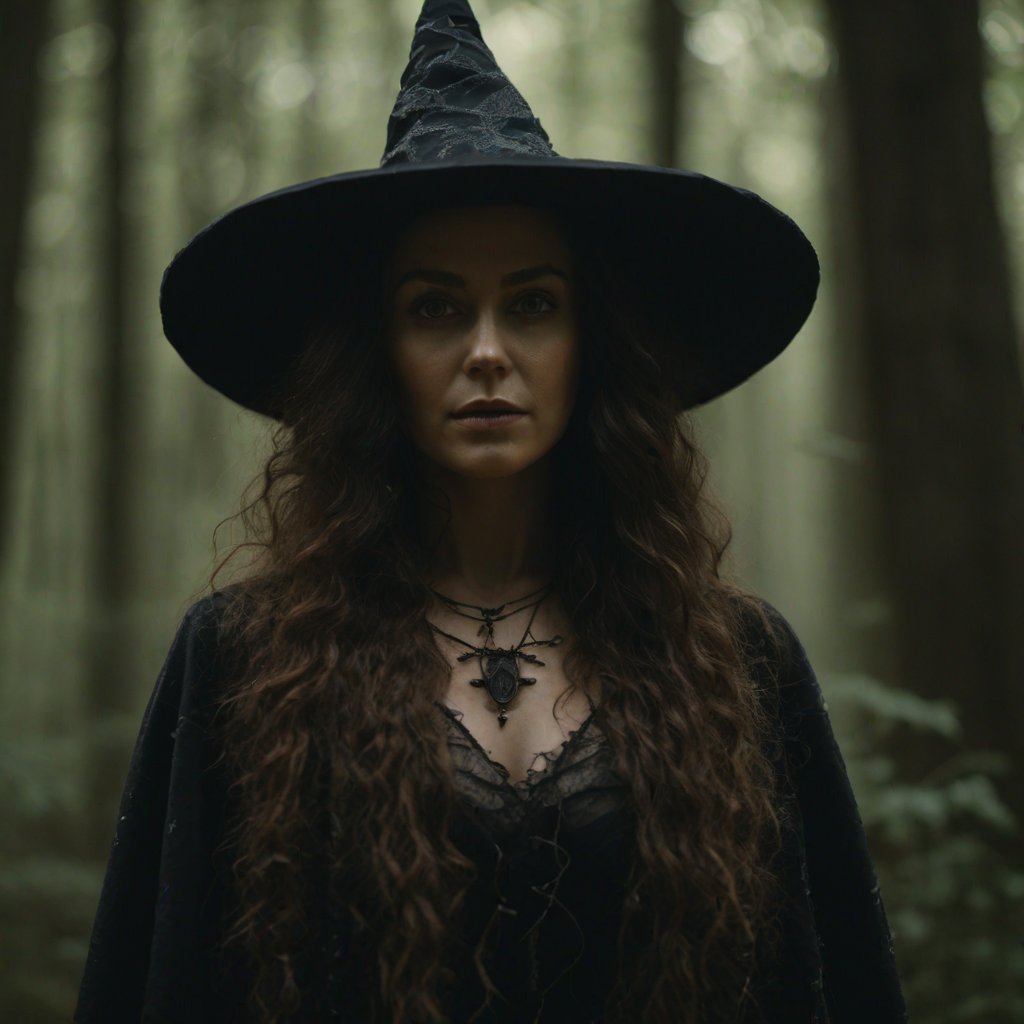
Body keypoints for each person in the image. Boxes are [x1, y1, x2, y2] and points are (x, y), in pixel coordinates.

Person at [75, 2, 907, 1022]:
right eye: (434, 307)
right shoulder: (246, 658)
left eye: (531, 303)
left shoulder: (735, 660)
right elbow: (158, 983)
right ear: (376, 354)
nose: (485, 349)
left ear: (587, 344)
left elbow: (825, 983)